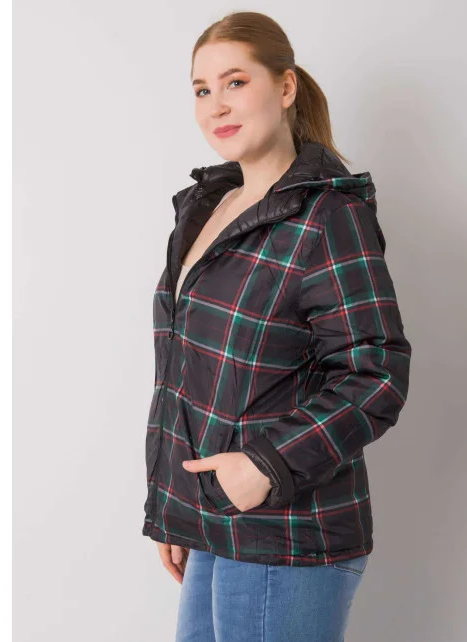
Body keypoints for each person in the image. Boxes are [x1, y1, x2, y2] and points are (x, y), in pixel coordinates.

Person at [142, 11, 412, 641]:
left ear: (286, 86)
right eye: (202, 89)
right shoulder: (210, 206)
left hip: (287, 534)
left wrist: (264, 465)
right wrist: (176, 512)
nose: (216, 105)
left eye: (235, 82)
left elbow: (376, 375)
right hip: (215, 524)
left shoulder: (327, 215)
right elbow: (189, 374)